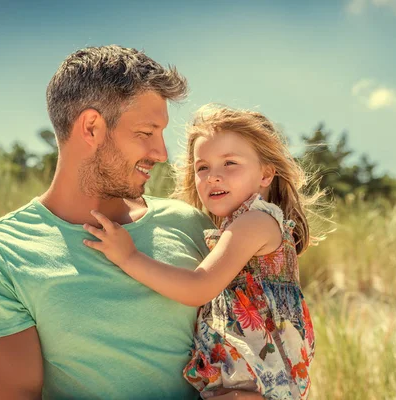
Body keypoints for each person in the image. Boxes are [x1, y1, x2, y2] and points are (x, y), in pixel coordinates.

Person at [0, 46, 263, 399]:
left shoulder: (190, 225)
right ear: (91, 127)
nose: (162, 154)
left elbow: (254, 344)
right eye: (146, 133)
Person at [83, 104, 321, 399]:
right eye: (202, 167)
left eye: (230, 163)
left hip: (260, 388)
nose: (213, 176)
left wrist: (129, 257)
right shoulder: (235, 226)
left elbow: (199, 287)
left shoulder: (255, 222)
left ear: (265, 174)